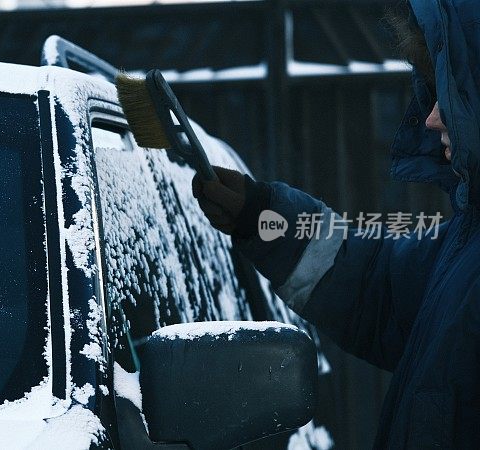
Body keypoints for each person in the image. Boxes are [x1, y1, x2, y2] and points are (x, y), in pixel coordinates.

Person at [192, 1, 479, 448]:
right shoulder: (467, 240)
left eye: (455, 88)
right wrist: (260, 216)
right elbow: (376, 287)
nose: (432, 117)